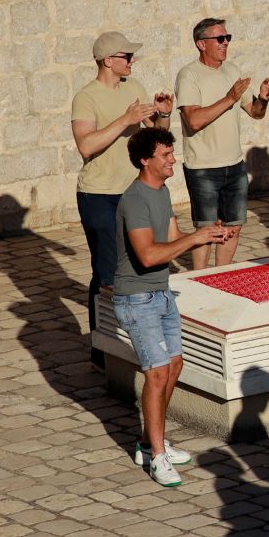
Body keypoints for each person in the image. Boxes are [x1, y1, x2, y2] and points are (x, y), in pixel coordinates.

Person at [113, 128, 231, 487]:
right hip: (136, 299)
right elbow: (149, 255)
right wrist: (195, 237)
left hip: (161, 295)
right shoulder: (134, 200)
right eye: (165, 155)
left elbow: (173, 240)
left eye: (171, 153)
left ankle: (150, 443)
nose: (173, 160)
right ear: (144, 160)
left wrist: (208, 235)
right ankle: (157, 456)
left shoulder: (161, 192)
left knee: (174, 366)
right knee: (157, 373)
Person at [72, 31, 171, 351]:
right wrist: (125, 119)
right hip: (99, 194)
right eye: (126, 56)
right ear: (107, 60)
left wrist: (164, 116)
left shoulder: (135, 88)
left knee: (137, 266)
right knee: (107, 274)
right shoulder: (86, 97)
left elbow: (156, 137)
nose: (132, 60)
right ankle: (104, 348)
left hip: (133, 193)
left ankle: (134, 340)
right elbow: (86, 146)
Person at [175, 17, 269, 268]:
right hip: (203, 167)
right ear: (201, 44)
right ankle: (198, 280)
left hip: (234, 164)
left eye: (227, 38)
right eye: (219, 38)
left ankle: (223, 276)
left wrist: (263, 99)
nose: (225, 43)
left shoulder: (232, 70)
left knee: (233, 227)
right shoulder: (189, 75)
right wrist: (230, 98)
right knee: (206, 231)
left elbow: (255, 112)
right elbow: (194, 120)